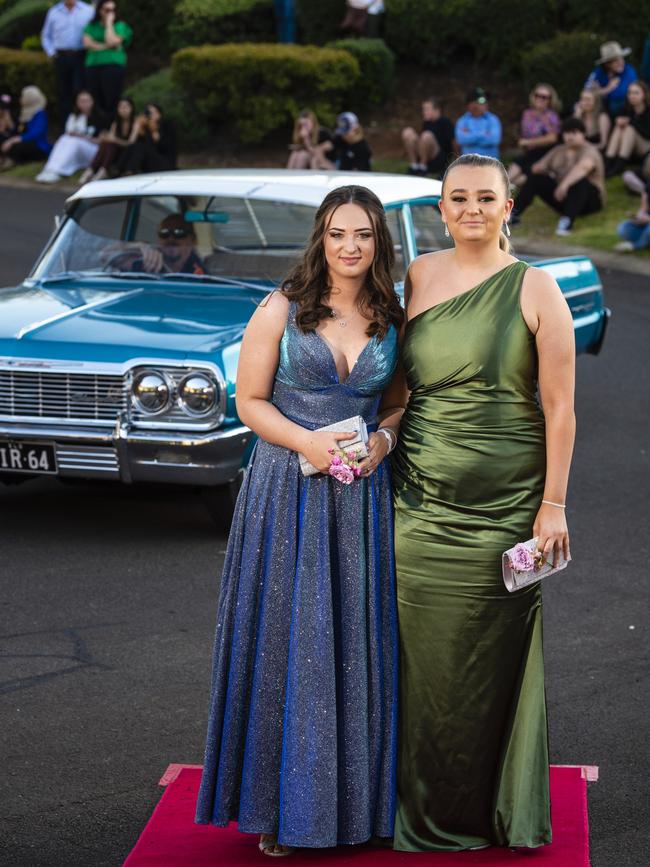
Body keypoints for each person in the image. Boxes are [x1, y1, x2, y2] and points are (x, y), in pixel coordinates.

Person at [195, 185, 402, 856]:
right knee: (290, 639)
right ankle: (279, 809)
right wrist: (306, 442)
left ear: (379, 243)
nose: (350, 246)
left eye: (364, 235)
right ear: (321, 237)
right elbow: (248, 400)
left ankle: (352, 805)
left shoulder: (391, 317)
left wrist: (384, 441)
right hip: (287, 490)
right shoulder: (280, 307)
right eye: (339, 233)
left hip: (360, 499)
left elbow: (397, 404)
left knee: (349, 644)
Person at [378, 152, 575, 852]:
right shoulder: (418, 276)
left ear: (508, 206)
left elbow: (559, 408)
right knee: (419, 654)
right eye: (457, 198)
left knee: (492, 650)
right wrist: (375, 437)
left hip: (509, 503)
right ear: (439, 208)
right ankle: (414, 801)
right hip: (420, 497)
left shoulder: (536, 288)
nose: (471, 208)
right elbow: (399, 390)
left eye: (485, 197)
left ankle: (488, 805)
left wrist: (553, 504)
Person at [511, 118, 605, 236]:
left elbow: (583, 168)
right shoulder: (559, 150)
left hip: (590, 200)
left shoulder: (590, 151)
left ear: (583, 134)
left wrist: (564, 185)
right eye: (567, 133)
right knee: (536, 178)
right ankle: (513, 214)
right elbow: (538, 167)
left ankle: (567, 222)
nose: (570, 136)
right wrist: (543, 172)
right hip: (564, 198)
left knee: (579, 180)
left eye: (574, 133)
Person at [35, 89, 107, 183]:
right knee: (64, 138)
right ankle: (50, 168)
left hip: (93, 150)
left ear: (92, 101)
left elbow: (102, 141)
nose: (84, 104)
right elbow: (68, 134)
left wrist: (82, 137)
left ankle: (58, 170)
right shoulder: (74, 116)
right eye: (81, 101)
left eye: (87, 101)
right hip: (76, 147)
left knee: (74, 141)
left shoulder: (100, 117)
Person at [40, 0, 94, 124]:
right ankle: (66, 125)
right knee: (63, 92)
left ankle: (83, 123)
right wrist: (51, 52)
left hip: (81, 56)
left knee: (80, 90)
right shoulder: (54, 12)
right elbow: (45, 35)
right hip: (62, 56)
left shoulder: (87, 10)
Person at [105, 214, 206, 274]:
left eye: (179, 233)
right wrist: (137, 246)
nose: (171, 238)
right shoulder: (146, 260)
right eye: (164, 233)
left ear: (192, 239)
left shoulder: (200, 271)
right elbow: (104, 255)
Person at [83, 0, 133, 117]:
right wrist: (106, 46)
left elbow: (112, 40)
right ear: (100, 11)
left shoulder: (120, 25)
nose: (111, 13)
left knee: (111, 98)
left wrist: (109, 23)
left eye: (113, 10)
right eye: (107, 10)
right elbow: (87, 43)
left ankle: (111, 127)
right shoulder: (91, 26)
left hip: (113, 66)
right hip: (93, 65)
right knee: (95, 98)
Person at [508, 83, 561, 187]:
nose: (540, 99)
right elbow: (524, 135)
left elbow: (552, 138)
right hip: (529, 152)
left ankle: (508, 188)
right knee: (512, 173)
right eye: (537, 95)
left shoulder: (551, 116)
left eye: (544, 97)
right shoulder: (527, 114)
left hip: (545, 153)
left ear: (550, 100)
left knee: (523, 175)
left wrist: (529, 142)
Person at [78, 96, 135, 183]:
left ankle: (100, 170)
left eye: (126, 107)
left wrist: (114, 139)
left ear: (132, 108)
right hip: (114, 149)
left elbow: (131, 142)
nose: (123, 109)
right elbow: (110, 138)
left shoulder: (135, 122)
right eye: (120, 107)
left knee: (110, 144)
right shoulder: (116, 123)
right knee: (106, 143)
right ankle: (93, 170)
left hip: (127, 152)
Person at [604, 81, 650, 177]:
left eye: (636, 93)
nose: (632, 96)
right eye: (630, 93)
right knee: (619, 127)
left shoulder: (648, 111)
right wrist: (618, 121)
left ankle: (617, 167)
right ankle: (607, 164)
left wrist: (630, 122)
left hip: (645, 150)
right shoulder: (625, 109)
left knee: (629, 128)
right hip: (629, 150)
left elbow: (647, 134)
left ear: (644, 95)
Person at [0, 86, 52, 170]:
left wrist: (13, 140)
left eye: (23, 96)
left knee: (18, 145)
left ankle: (11, 161)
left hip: (37, 146)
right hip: (22, 141)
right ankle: (6, 159)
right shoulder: (24, 112)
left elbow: (36, 134)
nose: (21, 99)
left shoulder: (40, 114)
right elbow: (17, 131)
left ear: (31, 98)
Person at [117, 103, 177, 175]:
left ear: (160, 114)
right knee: (136, 145)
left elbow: (167, 148)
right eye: (148, 113)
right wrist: (139, 127)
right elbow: (134, 145)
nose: (150, 116)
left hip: (166, 163)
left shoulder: (167, 125)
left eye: (153, 113)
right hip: (150, 164)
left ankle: (129, 171)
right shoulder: (146, 128)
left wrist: (155, 132)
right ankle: (120, 169)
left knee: (140, 147)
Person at [401, 97, 455, 177]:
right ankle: (414, 166)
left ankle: (423, 168)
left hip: (438, 159)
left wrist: (450, 164)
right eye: (423, 109)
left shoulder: (445, 122)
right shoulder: (427, 122)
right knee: (407, 132)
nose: (424, 112)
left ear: (437, 110)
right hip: (425, 155)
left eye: (427, 109)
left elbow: (451, 145)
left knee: (426, 135)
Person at [584, 40, 638, 117]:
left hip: (625, 109)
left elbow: (621, 94)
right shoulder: (599, 72)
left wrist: (599, 91)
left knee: (616, 103)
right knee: (581, 105)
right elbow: (586, 89)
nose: (621, 62)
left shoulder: (629, 70)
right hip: (603, 110)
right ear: (607, 64)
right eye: (616, 60)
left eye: (621, 58)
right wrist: (608, 88)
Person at [455, 87, 502, 159]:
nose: (486, 103)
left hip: (490, 164)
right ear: (471, 104)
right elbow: (461, 140)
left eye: (486, 100)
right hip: (468, 164)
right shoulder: (462, 121)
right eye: (482, 100)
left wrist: (470, 136)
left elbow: (494, 140)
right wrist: (485, 134)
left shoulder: (493, 119)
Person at [615, 180, 650, 251]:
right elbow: (644, 207)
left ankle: (636, 245)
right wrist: (638, 218)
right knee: (623, 228)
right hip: (646, 224)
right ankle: (644, 240)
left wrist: (648, 219)